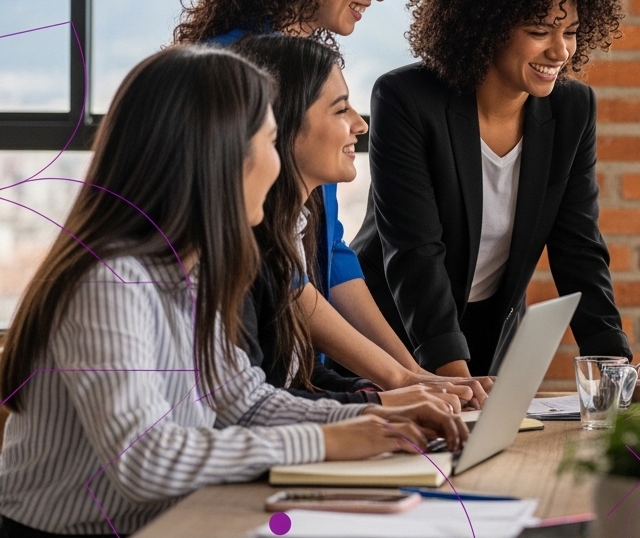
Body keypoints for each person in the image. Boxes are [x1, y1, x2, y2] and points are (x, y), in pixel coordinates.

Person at [0, 47, 465, 538]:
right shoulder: (113, 281)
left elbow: (243, 401)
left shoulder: (196, 270)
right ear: (219, 157)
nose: (277, 159)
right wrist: (329, 441)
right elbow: (143, 460)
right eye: (269, 141)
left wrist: (373, 418)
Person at [352, 0, 640, 383]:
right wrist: (452, 376)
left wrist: (615, 371)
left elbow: (579, 248)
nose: (560, 51)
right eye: (538, 31)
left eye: (569, 32)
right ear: (486, 26)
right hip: (392, 337)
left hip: (490, 337)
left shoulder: (572, 109)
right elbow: (414, 252)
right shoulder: (406, 99)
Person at [173, 0, 423, 378]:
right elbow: (275, 268)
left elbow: (327, 251)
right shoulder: (230, 77)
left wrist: (416, 375)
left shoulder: (311, 74)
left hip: (300, 372)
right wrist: (399, 380)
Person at [229, 34, 488, 411]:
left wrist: (398, 390)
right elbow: (257, 403)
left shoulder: (294, 229)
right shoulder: (245, 253)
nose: (359, 125)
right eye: (340, 110)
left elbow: (297, 378)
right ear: (281, 125)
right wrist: (381, 401)